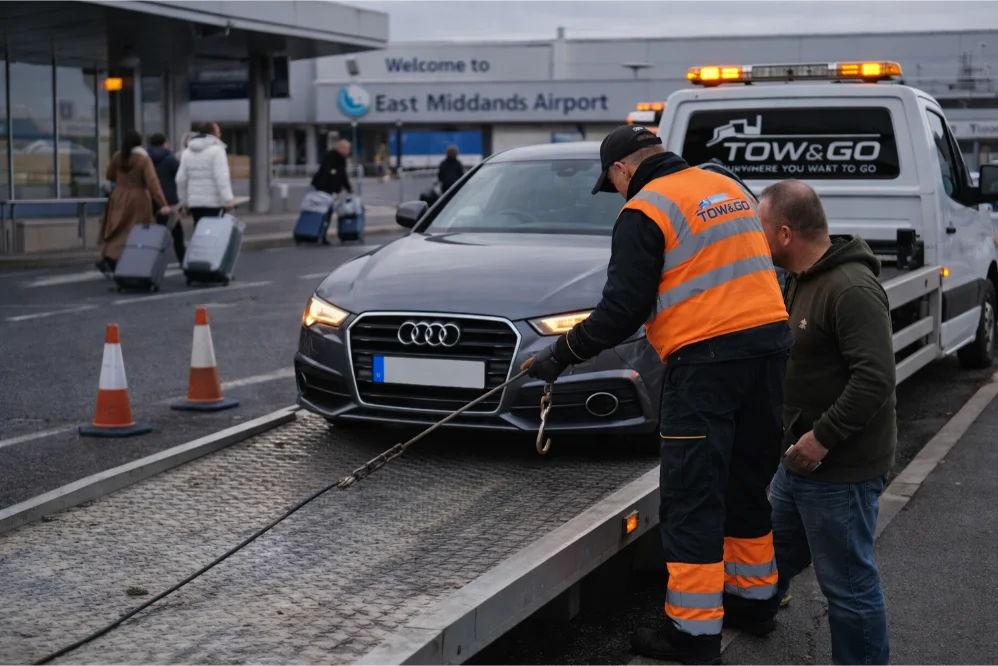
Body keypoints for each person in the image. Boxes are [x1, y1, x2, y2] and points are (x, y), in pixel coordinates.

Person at [523, 125, 793, 665]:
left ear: (622, 170)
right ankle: (755, 602)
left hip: (706, 365)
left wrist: (559, 356)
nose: (618, 192)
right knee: (746, 482)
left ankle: (692, 636)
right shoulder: (727, 188)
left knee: (692, 496)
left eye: (614, 183)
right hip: (768, 352)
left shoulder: (645, 209)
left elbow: (621, 311)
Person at [757, 179, 895, 666]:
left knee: (850, 588)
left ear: (786, 233)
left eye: (761, 229)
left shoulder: (850, 287)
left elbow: (875, 378)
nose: (758, 240)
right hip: (797, 466)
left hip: (839, 470)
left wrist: (822, 438)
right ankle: (755, 613)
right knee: (769, 556)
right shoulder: (799, 278)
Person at [96, 129, 170, 274]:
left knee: (116, 227)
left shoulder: (118, 157)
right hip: (138, 198)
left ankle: (108, 255)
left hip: (118, 195)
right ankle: (128, 261)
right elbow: (152, 183)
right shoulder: (143, 158)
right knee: (135, 230)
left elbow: (110, 175)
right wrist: (163, 204)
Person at [176, 121, 235, 226]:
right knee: (212, 234)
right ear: (213, 133)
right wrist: (228, 199)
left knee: (199, 232)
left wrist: (183, 201)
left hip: (194, 202)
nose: (220, 134)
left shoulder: (187, 152)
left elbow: (180, 179)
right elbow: (221, 177)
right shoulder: (217, 151)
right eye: (218, 131)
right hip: (213, 203)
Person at [147, 133, 185, 263]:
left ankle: (151, 257)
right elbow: (180, 177)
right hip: (168, 200)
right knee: (176, 232)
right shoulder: (170, 158)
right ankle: (182, 258)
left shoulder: (145, 158)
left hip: (150, 199)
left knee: (155, 229)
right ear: (165, 143)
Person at [311, 139, 354, 245]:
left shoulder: (340, 158)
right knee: (323, 213)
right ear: (342, 148)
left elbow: (342, 175)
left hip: (329, 190)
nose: (349, 151)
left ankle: (320, 235)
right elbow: (327, 173)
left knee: (327, 214)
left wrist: (348, 188)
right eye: (348, 148)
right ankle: (318, 234)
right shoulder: (331, 156)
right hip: (325, 190)